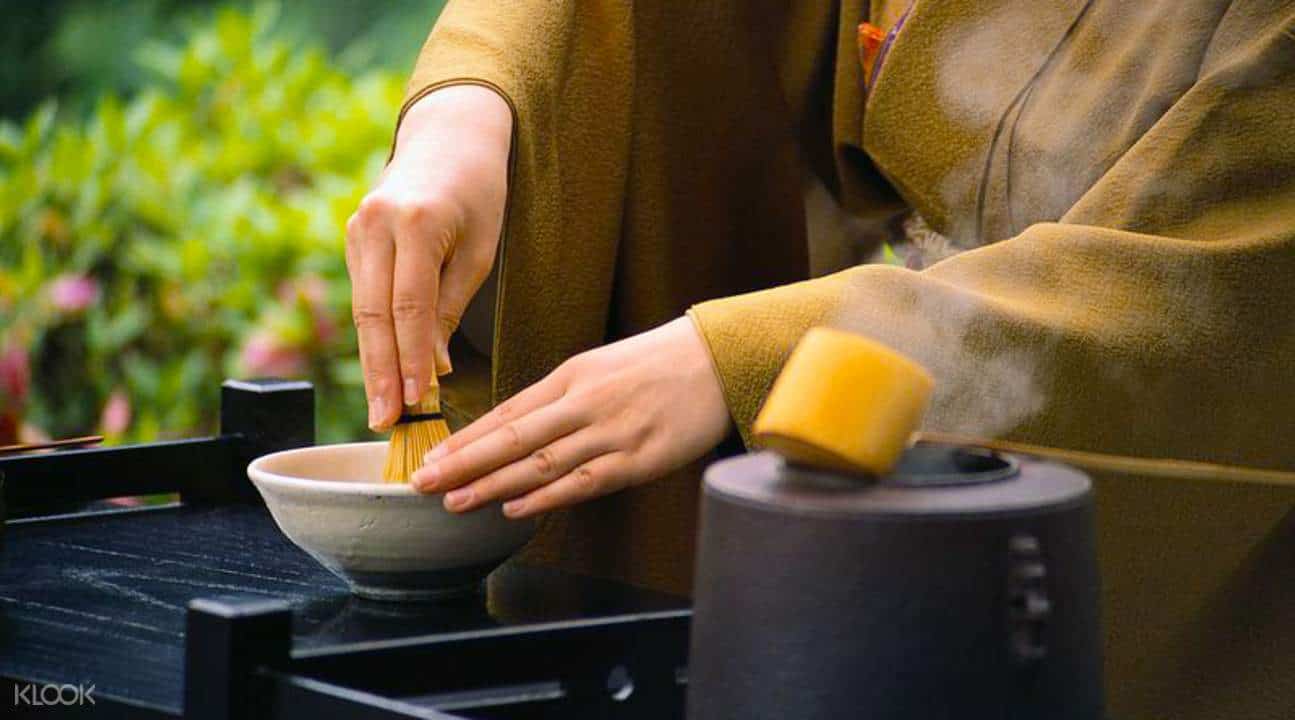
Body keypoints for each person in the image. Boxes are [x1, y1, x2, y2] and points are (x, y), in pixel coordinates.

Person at [345, 4, 1295, 713]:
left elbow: (1223, 288)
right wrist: (471, 105)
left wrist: (750, 358)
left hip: (1169, 557)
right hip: (897, 478)